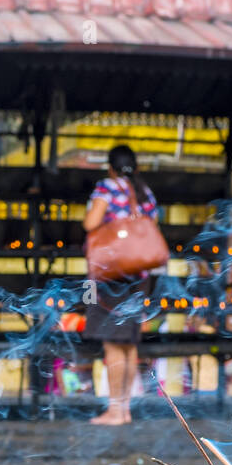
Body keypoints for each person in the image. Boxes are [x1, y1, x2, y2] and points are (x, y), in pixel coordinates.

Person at [82, 144, 160, 426]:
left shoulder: (107, 187)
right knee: (128, 343)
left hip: (113, 274)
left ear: (110, 167)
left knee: (113, 344)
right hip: (139, 276)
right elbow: (153, 226)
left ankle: (115, 411)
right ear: (136, 167)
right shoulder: (145, 192)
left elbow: (90, 223)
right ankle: (124, 409)